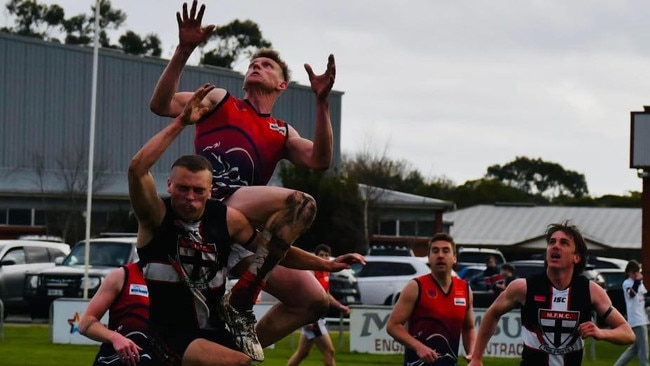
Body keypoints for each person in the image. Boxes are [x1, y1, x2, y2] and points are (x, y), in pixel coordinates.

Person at [149, 0, 340, 350]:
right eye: (253, 63)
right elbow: (161, 105)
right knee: (302, 203)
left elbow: (321, 160)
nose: (257, 65)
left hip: (239, 229)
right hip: (214, 203)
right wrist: (183, 50)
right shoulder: (221, 101)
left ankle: (231, 350)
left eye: (266, 65)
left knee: (314, 300)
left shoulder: (282, 131)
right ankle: (241, 303)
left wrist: (322, 103)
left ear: (282, 85)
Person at [131, 84, 359, 365]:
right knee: (238, 363)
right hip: (168, 335)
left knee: (312, 302)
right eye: (183, 189)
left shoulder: (226, 221)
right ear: (169, 185)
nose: (190, 197)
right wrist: (181, 120)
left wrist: (325, 264)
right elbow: (138, 167)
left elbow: (275, 247)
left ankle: (240, 314)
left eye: (198, 190)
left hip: (209, 329)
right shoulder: (157, 215)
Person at [468, 221, 635, 366]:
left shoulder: (591, 290)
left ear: (576, 257)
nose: (555, 246)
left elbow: (628, 334)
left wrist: (601, 333)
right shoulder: (523, 287)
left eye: (564, 243)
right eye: (552, 242)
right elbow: (492, 314)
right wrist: (476, 357)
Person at [387, 233, 476, 366]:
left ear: (454, 258)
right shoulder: (416, 286)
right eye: (435, 251)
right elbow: (393, 326)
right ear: (429, 258)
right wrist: (418, 347)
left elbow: (469, 328)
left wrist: (472, 354)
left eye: (446, 251)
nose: (440, 255)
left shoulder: (464, 289)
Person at [287, 244, 351, 366]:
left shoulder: (326, 273)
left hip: (317, 317)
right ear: (316, 257)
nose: (324, 257)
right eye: (321, 255)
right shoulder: (312, 273)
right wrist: (307, 321)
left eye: (326, 255)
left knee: (303, 353)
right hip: (313, 319)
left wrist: (340, 307)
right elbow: (303, 295)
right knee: (329, 351)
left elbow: (326, 295)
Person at [79, 262, 153, 365]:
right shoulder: (122, 276)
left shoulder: (178, 281)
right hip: (117, 360)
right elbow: (85, 323)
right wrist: (115, 338)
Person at [614, 259, 649, 366]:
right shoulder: (627, 283)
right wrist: (637, 282)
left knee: (634, 349)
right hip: (637, 320)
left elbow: (643, 297)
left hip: (642, 318)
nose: (636, 274)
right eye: (634, 272)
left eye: (637, 272)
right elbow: (631, 294)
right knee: (644, 349)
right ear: (629, 272)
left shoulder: (640, 284)